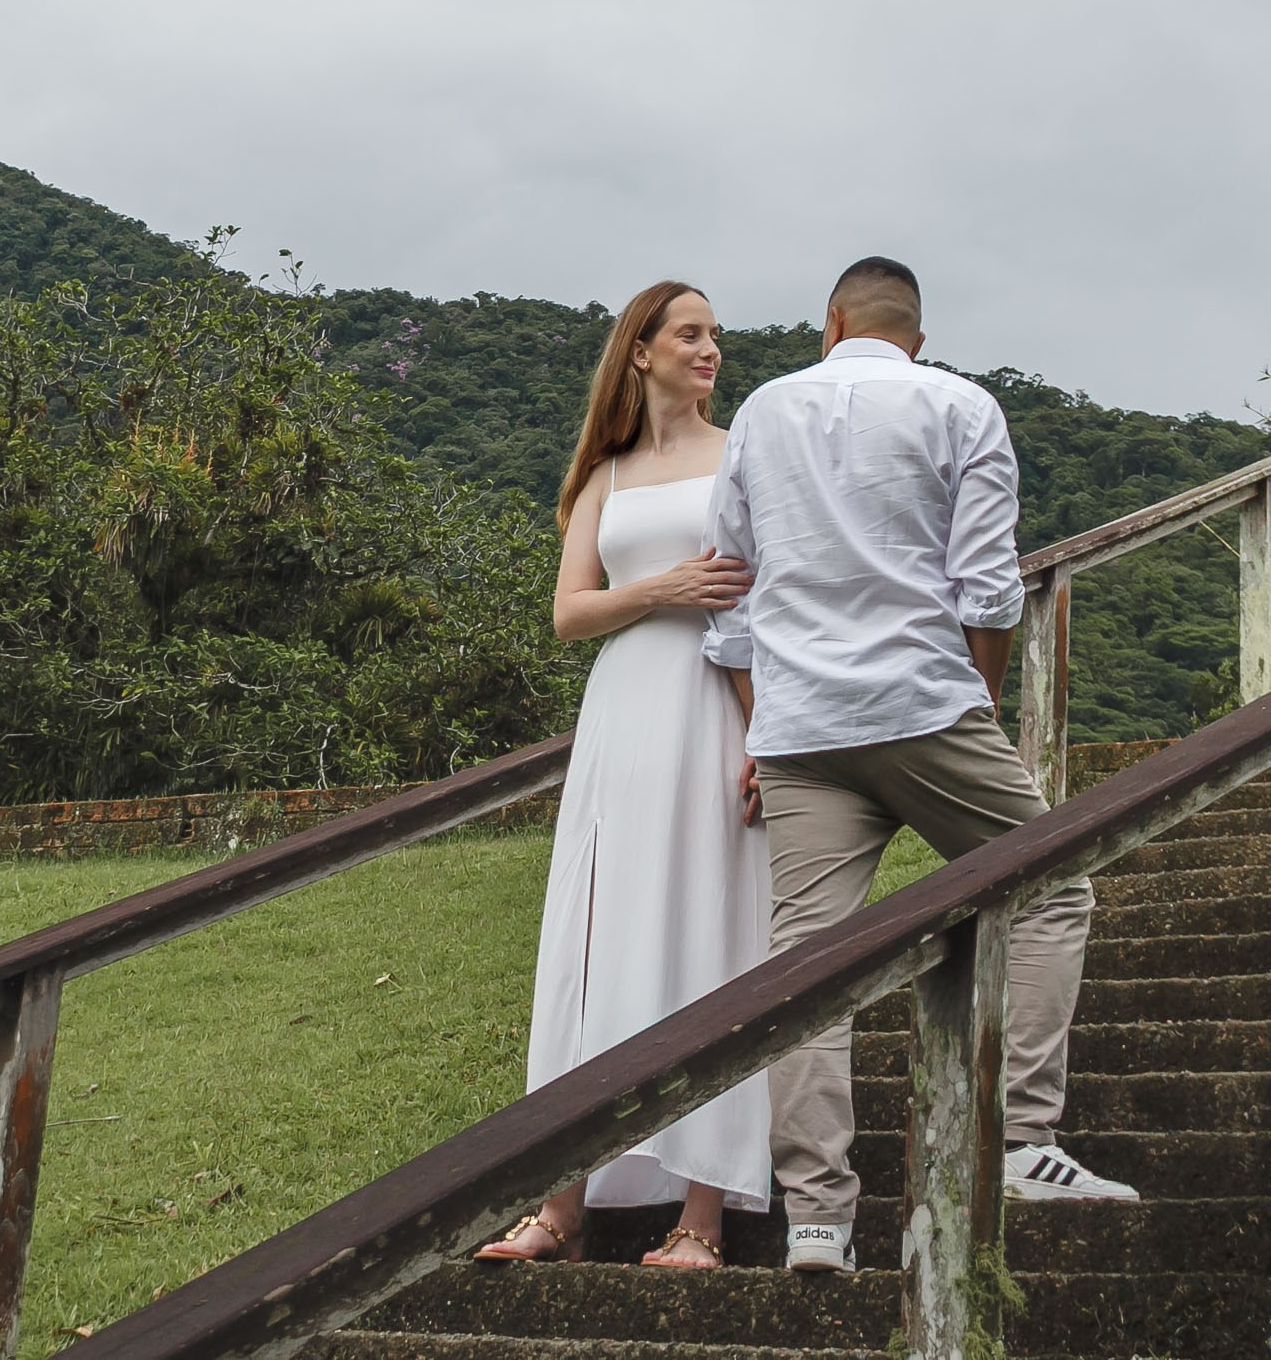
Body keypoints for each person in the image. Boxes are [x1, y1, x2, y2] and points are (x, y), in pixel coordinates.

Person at [702, 255, 1139, 1278]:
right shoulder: (962, 406)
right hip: (920, 703)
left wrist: (764, 724)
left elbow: (730, 594)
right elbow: (987, 586)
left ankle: (815, 1217)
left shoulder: (762, 411)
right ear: (916, 335)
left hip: (801, 725)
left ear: (831, 320)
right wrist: (977, 697)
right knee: (1049, 888)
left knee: (808, 961)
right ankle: (1023, 1140)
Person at [475, 280, 773, 1272]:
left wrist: (761, 738)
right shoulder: (603, 473)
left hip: (709, 712)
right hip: (621, 720)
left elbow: (754, 611)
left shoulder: (741, 458)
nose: (709, 349)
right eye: (689, 334)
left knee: (709, 932)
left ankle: (703, 1218)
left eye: (715, 336)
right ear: (639, 352)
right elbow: (569, 612)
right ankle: (559, 1205)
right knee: (592, 941)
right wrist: (660, 588)